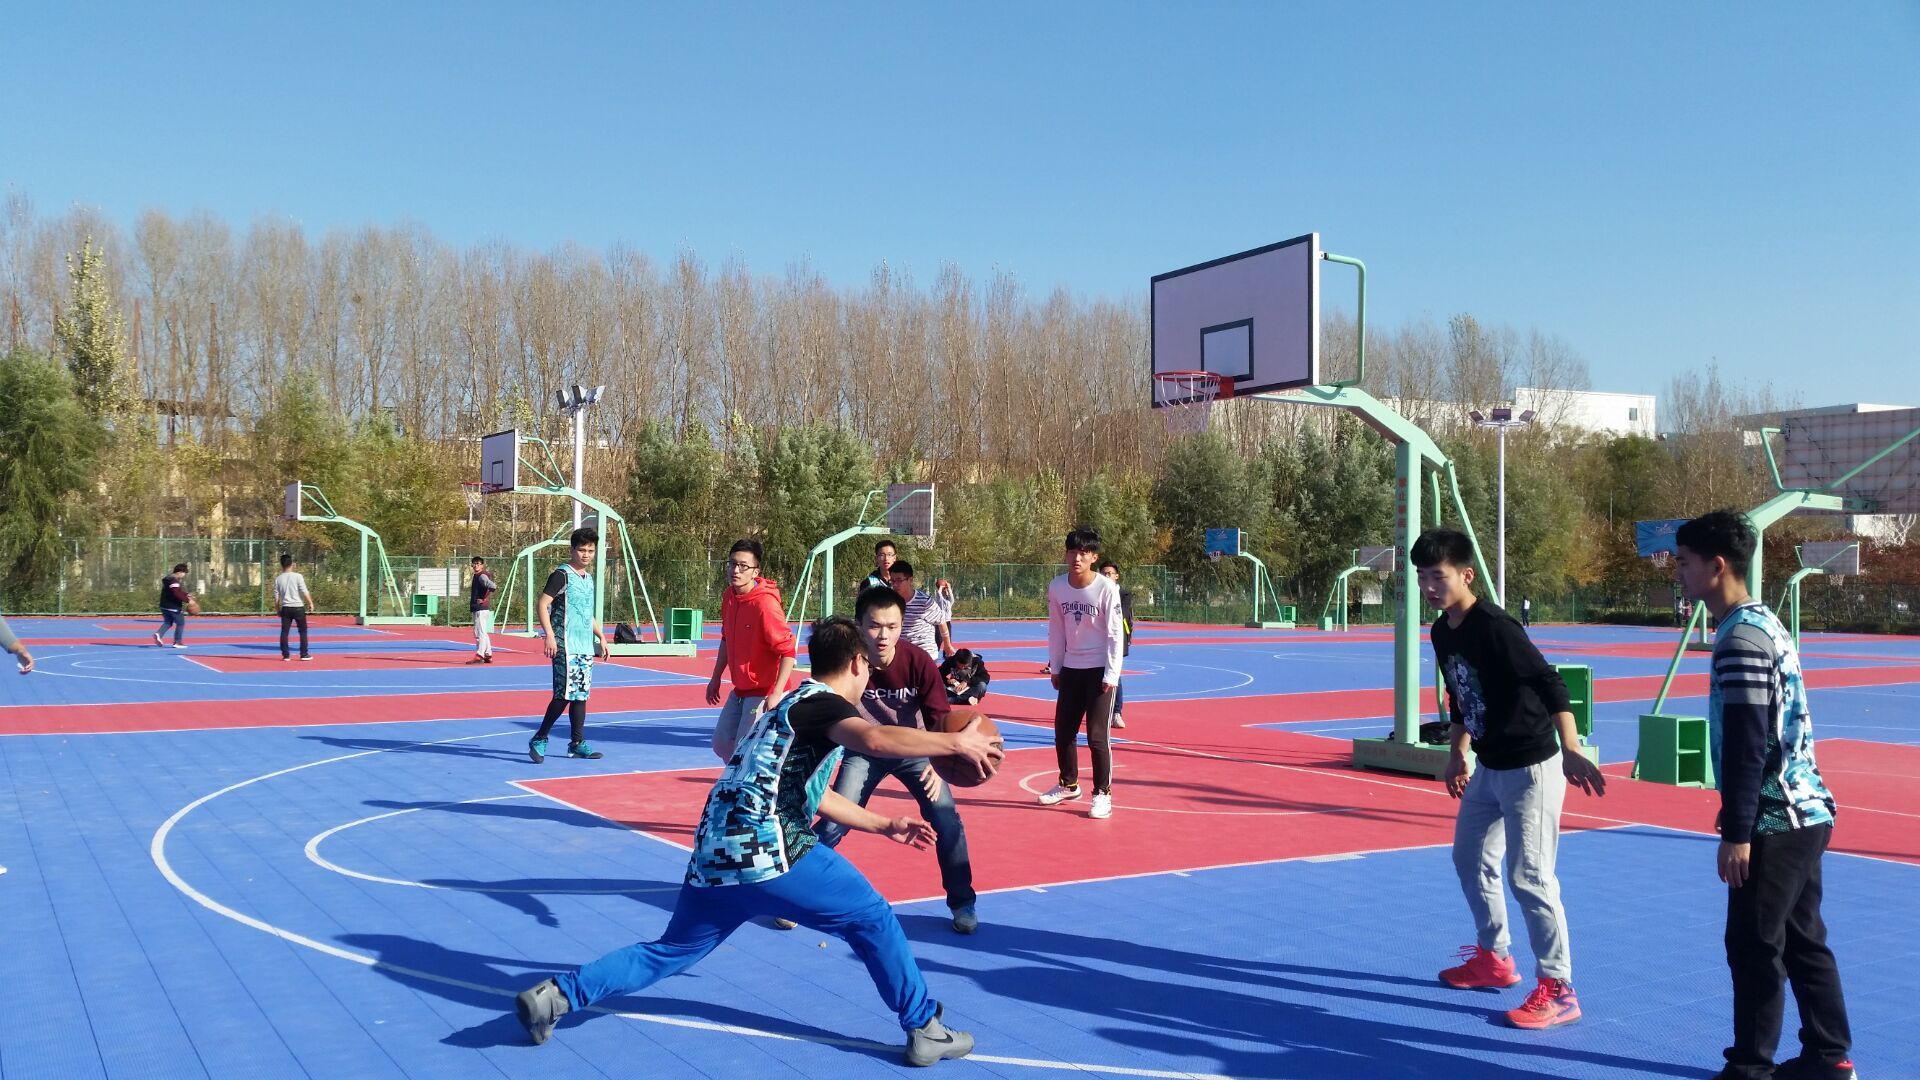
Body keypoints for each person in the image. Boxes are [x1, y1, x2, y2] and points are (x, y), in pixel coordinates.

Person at [514, 615, 1001, 1066]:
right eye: (868, 669)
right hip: (765, 845)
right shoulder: (824, 705)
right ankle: (924, 1027)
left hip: (713, 852)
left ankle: (557, 996)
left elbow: (814, 795)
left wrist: (882, 823)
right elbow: (874, 741)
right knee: (871, 917)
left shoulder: (784, 709)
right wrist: (955, 741)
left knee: (670, 951)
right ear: (857, 663)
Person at [1675, 510, 1856, 1080]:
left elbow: (1748, 743)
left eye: (1684, 562)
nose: (1678, 572)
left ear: (1716, 566)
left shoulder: (1739, 640)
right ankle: (1830, 1056)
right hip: (1807, 810)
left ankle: (1751, 1068)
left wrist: (1737, 832)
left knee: (1753, 944)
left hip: (1776, 819)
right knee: (1803, 939)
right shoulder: (1763, 622)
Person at [1413, 527, 1607, 1031]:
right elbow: (1461, 695)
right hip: (1489, 766)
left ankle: (1559, 988)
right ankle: (1494, 959)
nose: (1429, 586)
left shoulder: (1496, 627)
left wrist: (1572, 747)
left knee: (1530, 876)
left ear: (1466, 575)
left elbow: (1549, 682)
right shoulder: (1442, 631)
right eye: (1421, 577)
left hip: (1531, 768)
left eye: (1438, 576)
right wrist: (1457, 753)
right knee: (1469, 858)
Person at [817, 586, 979, 934]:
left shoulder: (918, 661)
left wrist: (938, 761)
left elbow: (940, 719)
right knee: (834, 821)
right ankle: (794, 889)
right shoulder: (848, 664)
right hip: (864, 750)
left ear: (901, 626)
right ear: (859, 625)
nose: (883, 635)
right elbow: (829, 709)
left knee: (946, 819)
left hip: (913, 750)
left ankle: (962, 902)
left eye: (892, 626)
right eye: (875, 626)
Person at [1039, 529, 1125, 819]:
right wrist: (1056, 666)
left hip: (1099, 670)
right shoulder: (1057, 587)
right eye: (1072, 552)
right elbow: (1056, 629)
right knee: (1063, 732)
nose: (1077, 558)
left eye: (1083, 553)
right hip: (1071, 668)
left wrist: (1111, 674)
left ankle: (1102, 794)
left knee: (1097, 736)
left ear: (1094, 557)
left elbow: (1115, 634)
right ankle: (1068, 784)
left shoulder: (1106, 588)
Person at [706, 539, 797, 762]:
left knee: (744, 748)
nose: (736, 570)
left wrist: (777, 693)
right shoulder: (729, 596)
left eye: (743, 566)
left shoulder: (765, 605)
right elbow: (726, 639)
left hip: (765, 690)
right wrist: (715, 677)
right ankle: (742, 775)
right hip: (741, 689)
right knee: (721, 743)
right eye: (732, 564)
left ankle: (748, 779)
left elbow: (788, 651)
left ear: (756, 571)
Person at [530, 528, 609, 763]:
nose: (586, 554)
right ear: (572, 550)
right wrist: (549, 635)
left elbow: (586, 612)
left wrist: (601, 636)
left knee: (580, 696)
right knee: (563, 694)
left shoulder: (589, 579)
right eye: (582, 550)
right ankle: (540, 737)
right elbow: (542, 604)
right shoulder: (561, 575)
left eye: (590, 550)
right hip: (565, 644)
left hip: (584, 646)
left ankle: (576, 744)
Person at [888, 559, 953, 660]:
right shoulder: (889, 601)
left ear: (910, 580)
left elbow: (941, 621)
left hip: (925, 654)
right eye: (892, 581)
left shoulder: (925, 602)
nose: (895, 584)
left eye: (899, 580)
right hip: (901, 653)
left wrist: (947, 645)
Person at [1096, 559, 1134, 728]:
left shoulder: (1124, 595)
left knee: (1114, 675)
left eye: (1109, 573)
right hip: (1097, 640)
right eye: (1103, 573)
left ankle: (1116, 713)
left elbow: (1121, 616)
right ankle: (1098, 710)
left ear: (1116, 576)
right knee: (1095, 675)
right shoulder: (1095, 593)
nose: (1106, 576)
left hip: (1117, 641)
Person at [272, 554, 316, 662]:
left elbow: (276, 597)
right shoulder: (298, 576)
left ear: (281, 565)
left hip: (286, 608)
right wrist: (310, 603)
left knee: (284, 631)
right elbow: (304, 591)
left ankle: (286, 655)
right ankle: (304, 654)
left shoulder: (278, 579)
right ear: (292, 564)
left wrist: (278, 609)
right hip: (298, 607)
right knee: (303, 631)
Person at [153, 563, 192, 648]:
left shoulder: (168, 579)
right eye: (184, 573)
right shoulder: (174, 580)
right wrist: (188, 600)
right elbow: (176, 593)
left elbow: (175, 591)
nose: (184, 575)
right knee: (181, 623)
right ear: (179, 572)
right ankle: (177, 642)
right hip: (173, 606)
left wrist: (186, 594)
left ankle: (159, 634)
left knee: (168, 622)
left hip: (164, 605)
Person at [468, 556, 498, 664]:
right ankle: (488, 654)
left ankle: (480, 654)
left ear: (482, 565)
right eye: (474, 563)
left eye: (478, 563)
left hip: (480, 609)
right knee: (483, 632)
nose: (476, 565)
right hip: (479, 609)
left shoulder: (482, 576)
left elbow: (492, 586)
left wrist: (484, 599)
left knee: (479, 633)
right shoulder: (477, 576)